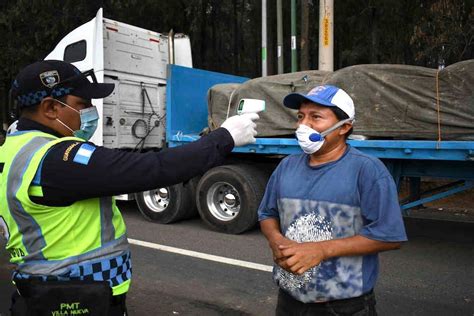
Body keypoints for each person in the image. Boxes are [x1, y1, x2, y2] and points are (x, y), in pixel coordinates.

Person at [0, 60, 259, 315]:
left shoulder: (13, 150)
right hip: (71, 297)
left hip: (44, 291)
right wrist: (224, 137)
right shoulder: (56, 158)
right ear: (51, 108)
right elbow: (150, 168)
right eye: (82, 104)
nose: (91, 111)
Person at [258, 85, 407, 315]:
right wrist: (276, 240)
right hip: (289, 301)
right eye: (300, 117)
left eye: (315, 117)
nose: (303, 125)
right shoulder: (286, 166)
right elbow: (267, 214)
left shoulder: (367, 170)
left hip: (343, 307)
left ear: (344, 127)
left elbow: (389, 235)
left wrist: (321, 250)